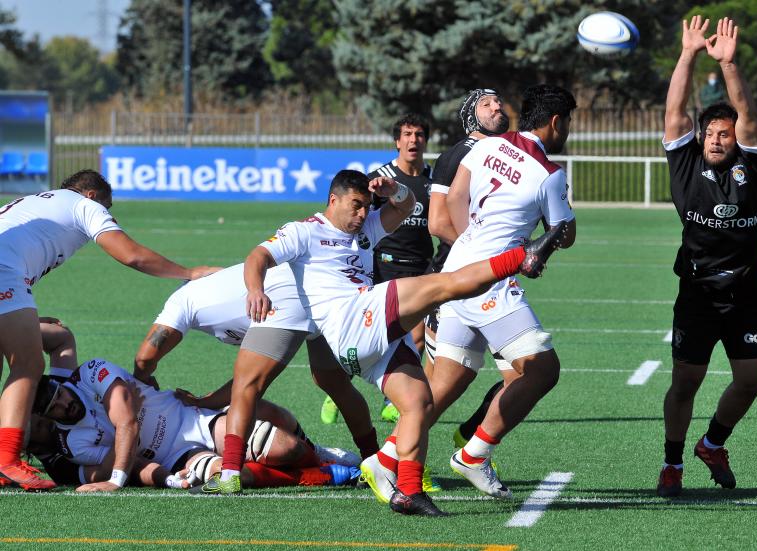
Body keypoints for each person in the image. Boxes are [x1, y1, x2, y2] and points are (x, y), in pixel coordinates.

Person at [219, 169, 568, 516]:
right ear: (333, 200)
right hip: (350, 320)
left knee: (419, 403)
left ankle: (409, 492)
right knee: (442, 286)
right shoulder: (304, 231)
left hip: (368, 336)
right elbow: (258, 257)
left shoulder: (366, 227)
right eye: (355, 206)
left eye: (366, 206)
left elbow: (405, 206)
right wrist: (255, 288)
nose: (361, 215)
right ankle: (519, 257)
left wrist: (395, 189)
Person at [0, 169, 217, 490]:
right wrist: (189, 272)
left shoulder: (34, 203)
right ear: (91, 195)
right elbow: (130, 255)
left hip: (8, 271)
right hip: (5, 271)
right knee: (29, 364)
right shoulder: (83, 205)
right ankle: (6, 461)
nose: (108, 213)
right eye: (108, 206)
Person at [425, 84, 577, 499]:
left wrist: (470, 247)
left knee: (445, 383)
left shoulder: (486, 146)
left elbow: (456, 198)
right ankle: (474, 453)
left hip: (456, 270)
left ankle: (388, 458)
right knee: (543, 370)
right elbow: (565, 234)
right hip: (490, 282)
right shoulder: (549, 172)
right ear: (556, 123)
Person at [657, 16, 757, 498]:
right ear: (701, 137)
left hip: (747, 293)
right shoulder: (686, 165)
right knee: (686, 382)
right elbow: (675, 112)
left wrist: (727, 64)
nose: (718, 139)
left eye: (725, 134)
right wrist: (687, 55)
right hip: (699, 292)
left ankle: (713, 443)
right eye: (712, 134)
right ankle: (673, 463)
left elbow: (746, 112)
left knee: (750, 381)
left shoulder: (754, 162)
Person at [132, 261, 379, 466]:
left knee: (248, 388)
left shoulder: (182, 299)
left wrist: (142, 380)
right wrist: (206, 401)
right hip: (318, 292)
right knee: (333, 382)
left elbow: (145, 356)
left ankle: (230, 472)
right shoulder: (221, 284)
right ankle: (374, 459)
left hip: (292, 301)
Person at [30, 359, 360, 491]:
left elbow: (127, 422)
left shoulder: (90, 371)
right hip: (178, 456)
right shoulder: (72, 445)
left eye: (58, 394)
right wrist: (167, 478)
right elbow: (133, 462)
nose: (63, 403)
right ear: (47, 417)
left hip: (192, 420)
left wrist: (116, 472)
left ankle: (320, 453)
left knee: (283, 445)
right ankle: (326, 474)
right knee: (229, 477)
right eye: (53, 408)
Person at [320, 113, 433, 426]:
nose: (413, 140)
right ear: (397, 141)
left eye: (419, 134)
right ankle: (338, 387)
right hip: (384, 268)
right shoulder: (379, 179)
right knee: (372, 336)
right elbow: (357, 220)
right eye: (407, 134)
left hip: (421, 266)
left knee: (417, 336)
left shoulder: (433, 180)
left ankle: (390, 401)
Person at [427, 88, 515, 453]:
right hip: (455, 282)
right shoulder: (457, 155)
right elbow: (436, 222)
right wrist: (480, 259)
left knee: (525, 376)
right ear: (470, 115)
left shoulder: (508, 155)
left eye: (499, 101)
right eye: (486, 103)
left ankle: (471, 435)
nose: (497, 106)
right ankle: (404, 461)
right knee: (433, 391)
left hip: (495, 283)